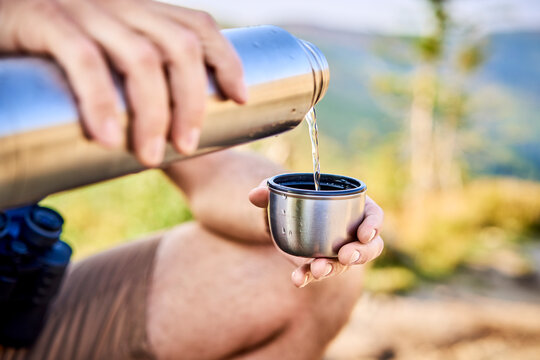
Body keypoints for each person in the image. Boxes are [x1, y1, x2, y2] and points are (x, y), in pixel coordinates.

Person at [0, 0, 385, 359]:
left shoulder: (52, 32)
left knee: (315, 274)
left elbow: (211, 174)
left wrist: (295, 215)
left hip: (22, 313)